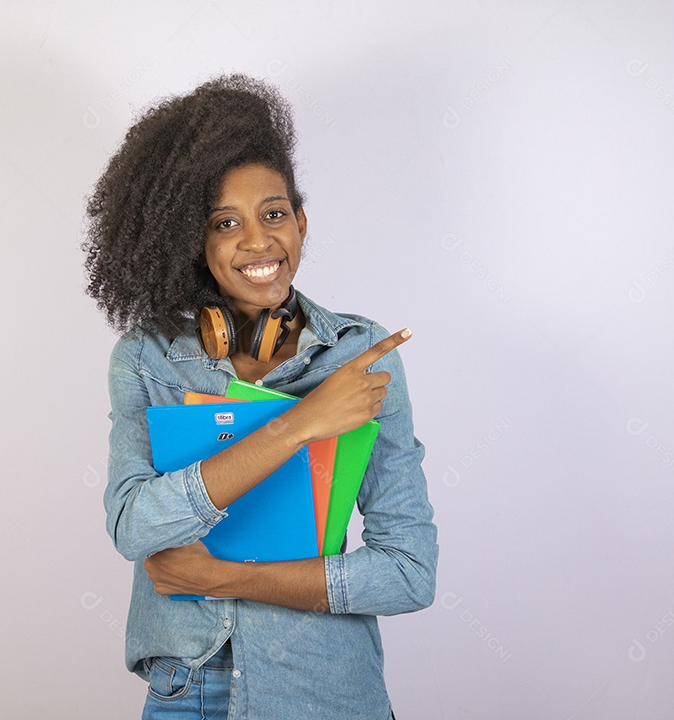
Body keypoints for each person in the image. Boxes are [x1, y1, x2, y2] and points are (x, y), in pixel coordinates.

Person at [82, 74, 438, 719]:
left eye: (273, 214)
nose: (257, 241)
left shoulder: (361, 355)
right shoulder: (147, 359)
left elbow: (409, 572)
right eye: (225, 223)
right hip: (189, 695)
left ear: (300, 222)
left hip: (324, 691)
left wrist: (226, 579)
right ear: (193, 243)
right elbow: (134, 528)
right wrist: (300, 424)